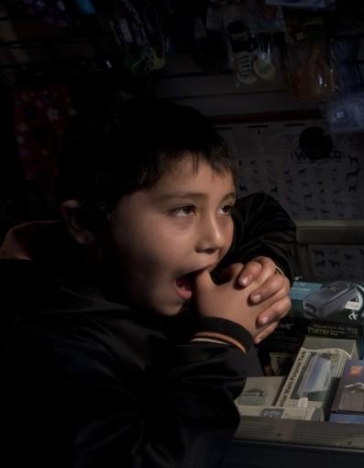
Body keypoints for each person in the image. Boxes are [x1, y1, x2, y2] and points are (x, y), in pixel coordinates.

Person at [0, 97, 298, 467]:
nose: (217, 239)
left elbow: (264, 213)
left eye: (224, 207)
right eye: (182, 209)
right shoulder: (47, 347)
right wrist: (220, 341)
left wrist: (267, 268)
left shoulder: (182, 250)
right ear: (84, 223)